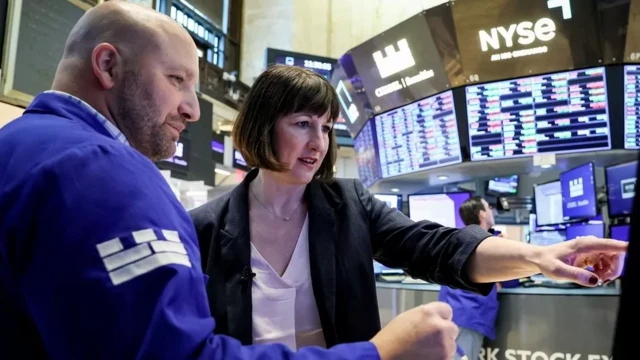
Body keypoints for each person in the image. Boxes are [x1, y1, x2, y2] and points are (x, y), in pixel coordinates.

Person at [0, 2, 467, 359]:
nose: (193, 109)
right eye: (176, 79)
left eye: (326, 128)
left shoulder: (19, 149)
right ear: (107, 66)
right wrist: (379, 353)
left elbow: (428, 245)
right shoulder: (101, 171)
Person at [189, 64, 628, 351]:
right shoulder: (204, 228)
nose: (318, 143)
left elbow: (438, 248)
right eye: (302, 124)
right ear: (263, 126)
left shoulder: (349, 206)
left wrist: (539, 257)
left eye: (325, 127)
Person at [438, 196, 502, 360]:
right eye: (488, 207)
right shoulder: (488, 243)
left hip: (456, 313)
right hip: (468, 316)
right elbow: (512, 277)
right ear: (481, 214)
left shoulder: (460, 239)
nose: (491, 211)